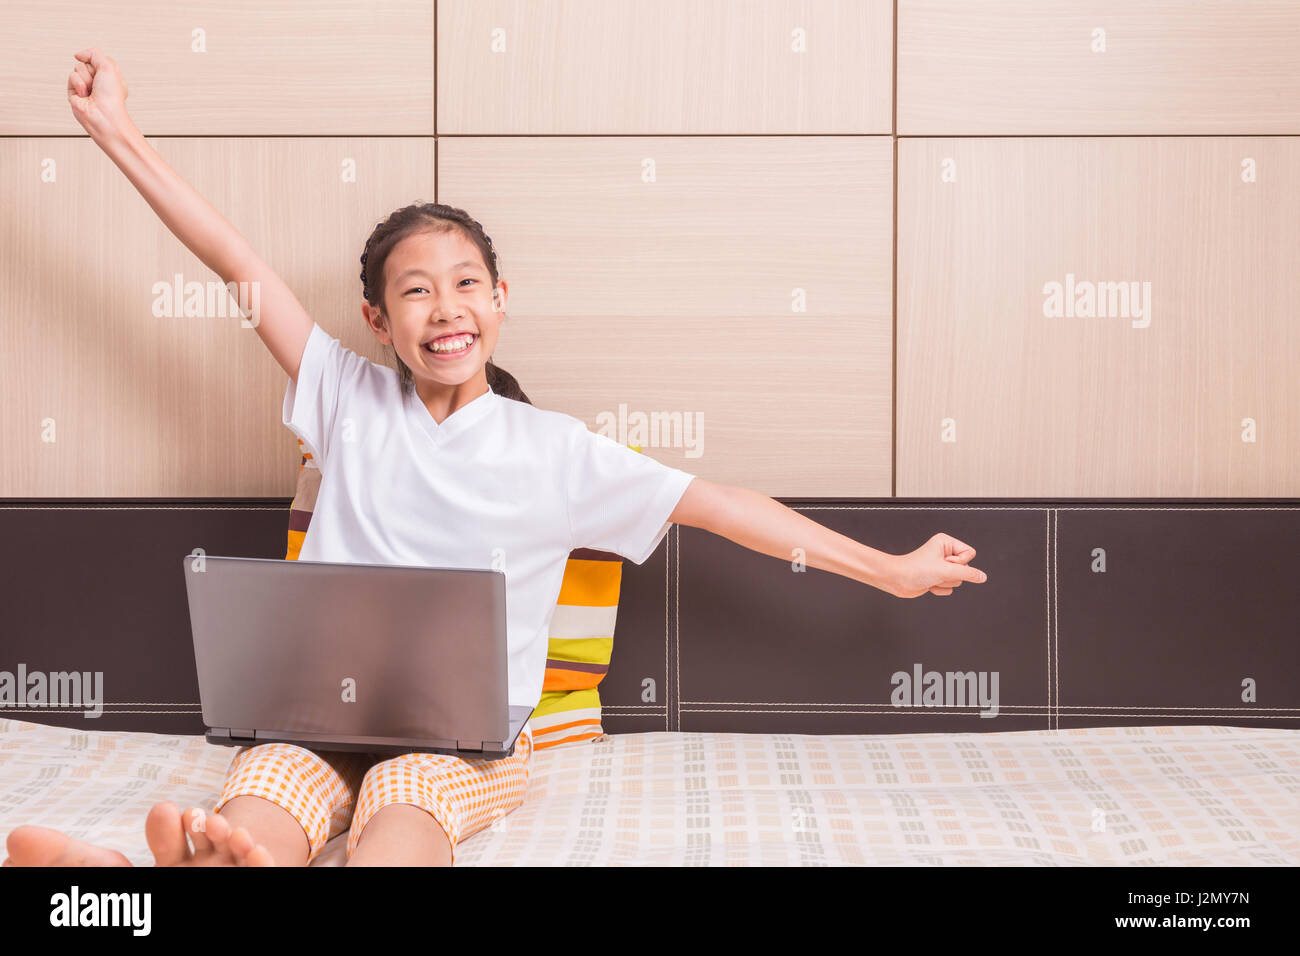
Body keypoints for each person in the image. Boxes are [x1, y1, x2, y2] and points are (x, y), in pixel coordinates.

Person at [3, 48, 987, 868]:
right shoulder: (345, 396)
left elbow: (725, 505)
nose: (446, 305)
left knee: (405, 809)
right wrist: (119, 135)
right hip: (316, 712)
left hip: (464, 741)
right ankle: (194, 864)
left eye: (465, 282)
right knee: (267, 788)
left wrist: (888, 567)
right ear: (376, 320)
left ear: (500, 299)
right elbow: (236, 264)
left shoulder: (558, 452)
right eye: (417, 291)